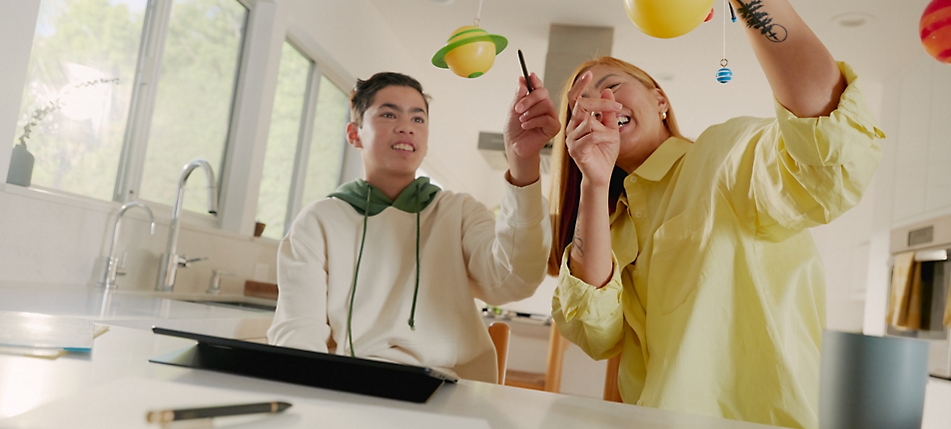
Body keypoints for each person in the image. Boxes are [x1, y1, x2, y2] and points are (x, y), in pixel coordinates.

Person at [547, 1, 884, 427]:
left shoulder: (725, 154)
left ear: (659, 99)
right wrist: (593, 185)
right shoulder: (609, 224)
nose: (599, 102)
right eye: (580, 104)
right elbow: (595, 333)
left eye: (610, 84)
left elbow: (829, 157)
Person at [267, 71, 558, 383]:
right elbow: (298, 329)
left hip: (452, 393)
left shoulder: (458, 212)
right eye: (389, 114)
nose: (406, 126)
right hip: (355, 387)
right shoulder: (318, 222)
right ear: (354, 134)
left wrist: (523, 163)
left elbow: (515, 280)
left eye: (418, 119)